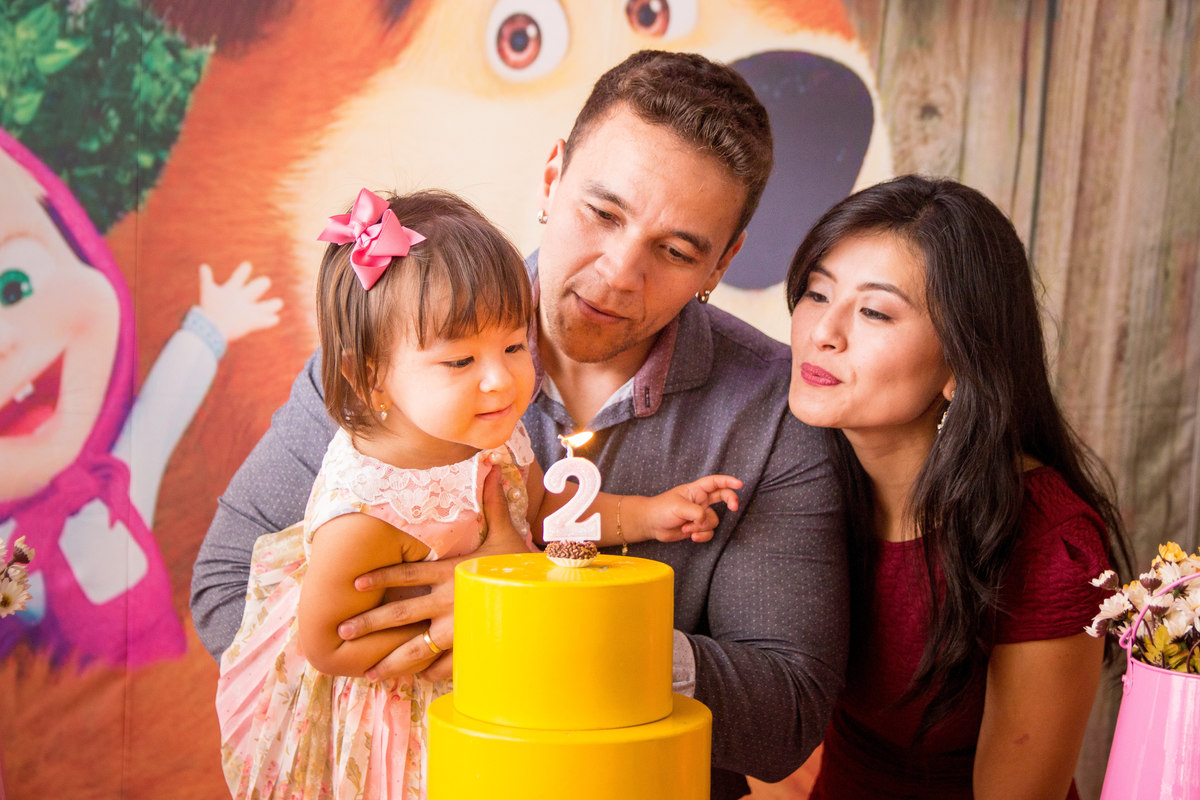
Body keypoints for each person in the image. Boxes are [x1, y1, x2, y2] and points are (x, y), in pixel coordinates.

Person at [194, 50, 849, 799]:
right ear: (550, 177)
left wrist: (555, 639)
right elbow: (226, 586)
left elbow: (787, 709)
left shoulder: (773, 412)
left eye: (674, 251)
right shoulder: (395, 351)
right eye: (601, 214)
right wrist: (417, 645)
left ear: (721, 264)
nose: (617, 273)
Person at [216, 187, 742, 799]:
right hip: (398, 709)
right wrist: (479, 630)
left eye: (515, 346)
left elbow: (549, 512)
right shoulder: (366, 510)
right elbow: (328, 643)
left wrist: (650, 515)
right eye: (460, 361)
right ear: (371, 376)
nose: (500, 380)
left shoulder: (490, 434)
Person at [785, 174, 1133, 799]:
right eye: (816, 293)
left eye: (873, 311)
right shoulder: (798, 468)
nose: (823, 332)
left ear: (960, 362)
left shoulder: (1048, 545)